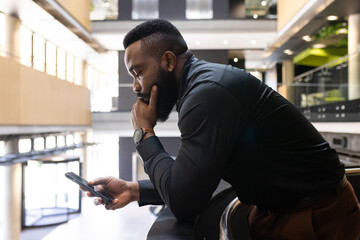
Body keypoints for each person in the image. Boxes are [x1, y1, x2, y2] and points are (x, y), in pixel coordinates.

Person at [86, 19, 360, 239]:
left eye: (138, 72)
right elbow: (191, 178)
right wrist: (133, 190)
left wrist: (144, 134)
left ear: (168, 61)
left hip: (316, 216)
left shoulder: (207, 94)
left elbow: (184, 203)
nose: (135, 86)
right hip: (278, 211)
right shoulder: (199, 89)